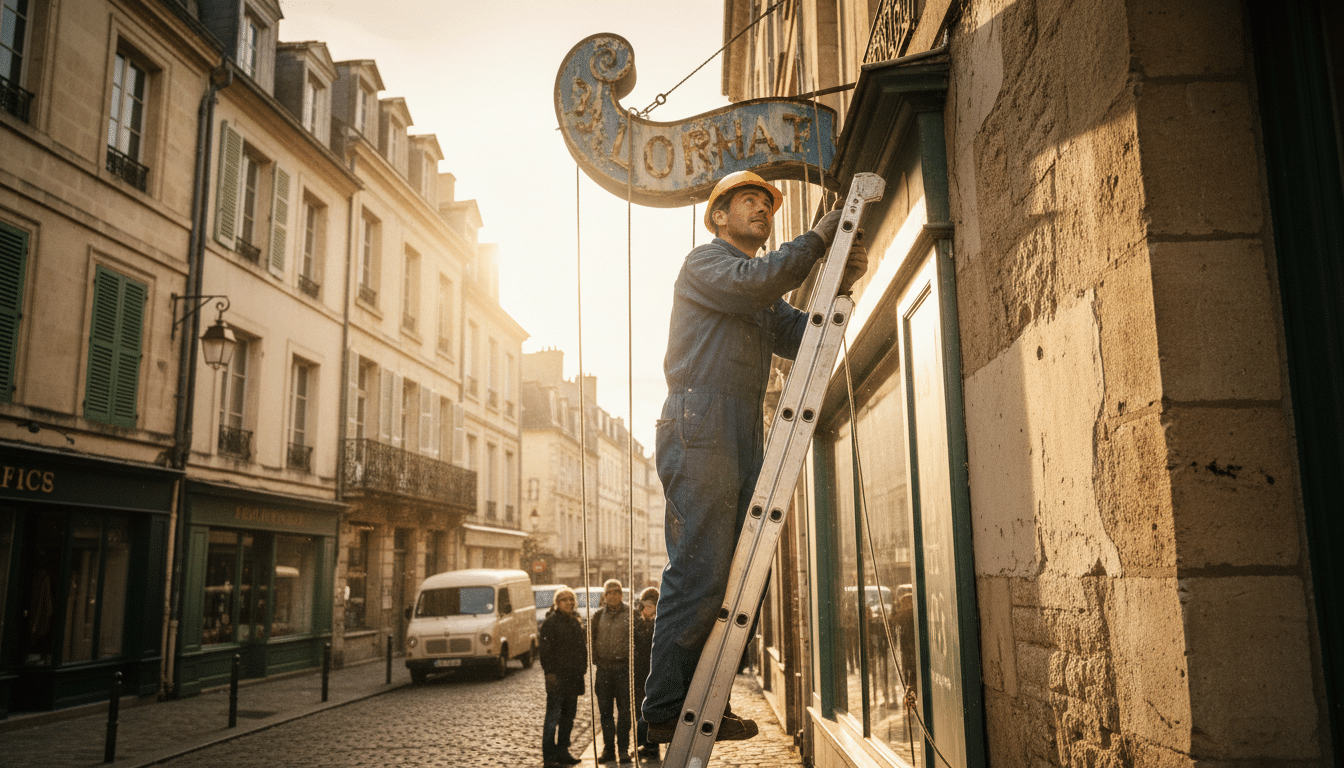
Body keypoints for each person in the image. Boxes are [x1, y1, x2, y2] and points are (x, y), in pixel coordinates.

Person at [643, 170, 868, 743]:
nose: (762, 211)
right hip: (699, 419)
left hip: (737, 425)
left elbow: (807, 339)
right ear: (718, 216)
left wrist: (842, 285)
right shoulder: (707, 265)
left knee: (746, 574)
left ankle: (701, 701)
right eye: (749, 202)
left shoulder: (758, 294)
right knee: (700, 570)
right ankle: (666, 706)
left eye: (767, 205)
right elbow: (757, 282)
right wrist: (820, 239)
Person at [540, 586, 586, 767]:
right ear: (557, 603)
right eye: (564, 600)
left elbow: (581, 648)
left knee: (568, 718)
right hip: (557, 678)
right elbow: (545, 652)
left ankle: (563, 751)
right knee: (553, 718)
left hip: (573, 678)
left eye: (570, 600)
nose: (568, 603)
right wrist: (550, 674)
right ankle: (549, 756)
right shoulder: (550, 623)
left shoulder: (575, 621)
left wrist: (582, 668)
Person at [590, 579, 633, 763]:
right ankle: (609, 750)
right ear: (604, 596)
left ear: (621, 595)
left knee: (624, 712)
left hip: (623, 670)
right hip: (604, 671)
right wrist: (597, 661)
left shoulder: (630, 613)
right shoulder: (598, 615)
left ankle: (623, 749)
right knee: (605, 712)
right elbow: (592, 640)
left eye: (616, 592)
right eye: (609, 593)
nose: (613, 596)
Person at [633, 587, 659, 760]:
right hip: (639, 674)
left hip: (654, 674)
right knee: (639, 712)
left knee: (650, 712)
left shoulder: (660, 623)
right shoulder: (637, 623)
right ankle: (644, 744)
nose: (647, 608)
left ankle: (652, 746)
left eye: (651, 604)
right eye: (645, 604)